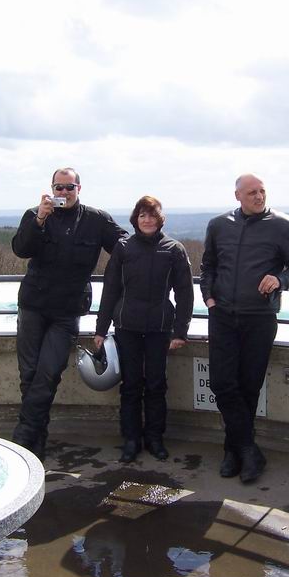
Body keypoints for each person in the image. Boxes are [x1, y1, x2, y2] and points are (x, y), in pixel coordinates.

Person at [199, 173, 289, 483]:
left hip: (260, 317)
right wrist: (208, 297)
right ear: (237, 195)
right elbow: (208, 266)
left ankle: (232, 451)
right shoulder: (218, 225)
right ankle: (249, 449)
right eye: (251, 192)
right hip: (222, 315)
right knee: (222, 383)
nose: (259, 196)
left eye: (262, 191)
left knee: (249, 387)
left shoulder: (284, 226)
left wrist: (280, 280)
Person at [11, 167, 127, 459]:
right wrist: (40, 219)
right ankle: (35, 441)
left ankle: (23, 437)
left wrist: (163, 252)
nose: (63, 193)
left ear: (79, 188)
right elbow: (21, 249)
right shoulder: (35, 215)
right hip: (33, 305)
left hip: (67, 310)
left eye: (69, 187)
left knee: (49, 373)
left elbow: (125, 247)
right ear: (51, 189)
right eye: (58, 188)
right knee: (29, 375)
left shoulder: (96, 220)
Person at [94, 196, 194, 463]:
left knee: (156, 384)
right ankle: (131, 439)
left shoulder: (174, 249)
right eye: (142, 215)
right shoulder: (123, 248)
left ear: (160, 219)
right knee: (130, 385)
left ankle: (155, 438)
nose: (147, 220)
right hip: (126, 327)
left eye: (152, 215)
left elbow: (185, 293)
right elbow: (110, 289)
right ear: (135, 219)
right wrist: (101, 329)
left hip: (159, 329)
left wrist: (180, 331)